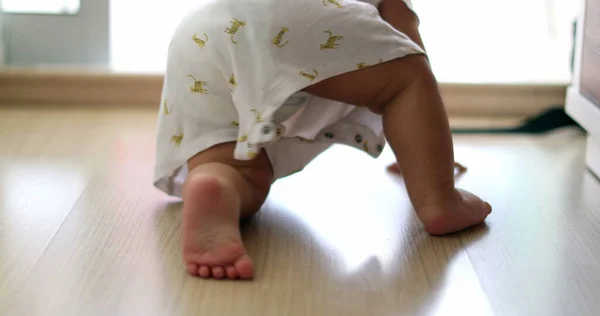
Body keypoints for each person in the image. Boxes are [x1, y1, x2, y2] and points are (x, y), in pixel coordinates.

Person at [153, 0, 492, 280]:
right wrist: (428, 160)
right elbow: (405, 50)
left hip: (201, 31)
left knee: (240, 171)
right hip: (292, 17)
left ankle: (214, 181)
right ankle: (441, 202)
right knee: (408, 79)